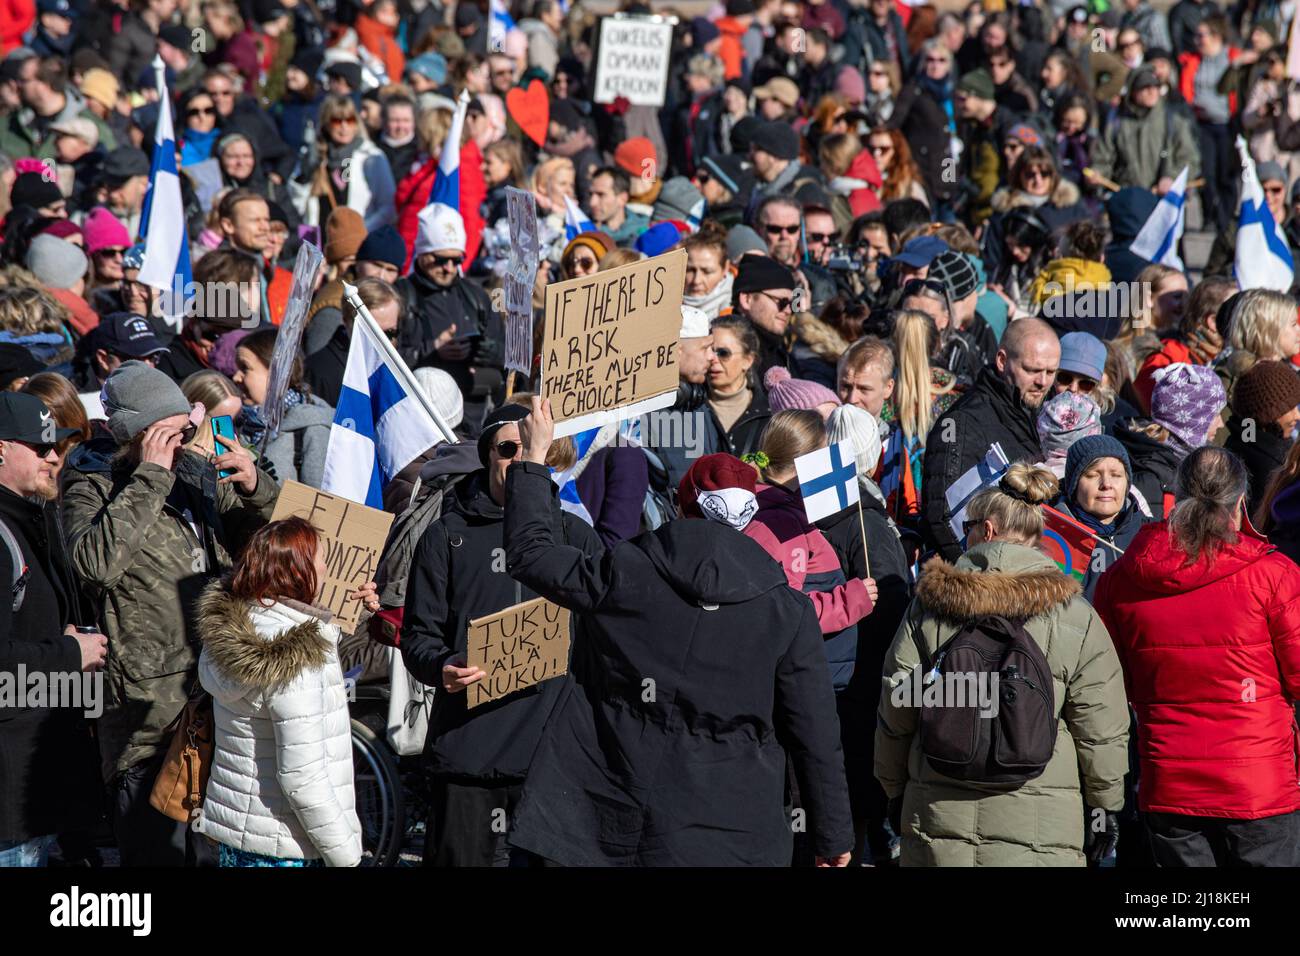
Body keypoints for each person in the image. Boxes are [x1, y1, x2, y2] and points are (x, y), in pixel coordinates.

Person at [502, 411, 855, 866]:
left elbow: (531, 554)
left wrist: (533, 460)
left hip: (604, 818)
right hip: (723, 833)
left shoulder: (624, 572)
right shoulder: (787, 611)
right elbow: (816, 734)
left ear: (681, 507)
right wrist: (832, 837)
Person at [62, 361, 277, 866]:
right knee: (156, 853)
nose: (185, 442)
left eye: (187, 429)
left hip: (216, 694)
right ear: (140, 434)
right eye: (171, 433)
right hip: (148, 712)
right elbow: (94, 566)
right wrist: (151, 476)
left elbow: (268, 544)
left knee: (211, 855)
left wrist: (255, 487)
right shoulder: (91, 482)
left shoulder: (194, 470)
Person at [877, 462, 1129, 866]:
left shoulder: (928, 607)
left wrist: (893, 788)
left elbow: (898, 704)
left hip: (938, 813)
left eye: (968, 525)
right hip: (1042, 824)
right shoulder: (1076, 615)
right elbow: (1100, 728)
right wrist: (1105, 805)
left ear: (987, 531)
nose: (965, 534)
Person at [400, 402, 600, 866]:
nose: (523, 458)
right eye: (511, 448)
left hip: (551, 757)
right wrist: (442, 665)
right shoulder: (445, 536)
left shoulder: (577, 537)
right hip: (470, 752)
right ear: (489, 453)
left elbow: (604, 642)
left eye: (534, 449)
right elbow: (418, 637)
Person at [1095, 446, 1300, 866]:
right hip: (1259, 782)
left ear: (1176, 497)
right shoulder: (1274, 575)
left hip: (1170, 780)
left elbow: (1115, 684)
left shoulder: (1121, 579)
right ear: (1240, 501)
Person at [197, 517, 368, 867]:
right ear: (299, 571)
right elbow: (302, 776)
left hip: (239, 835)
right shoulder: (296, 657)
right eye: (320, 559)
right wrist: (347, 856)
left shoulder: (242, 625)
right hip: (285, 844)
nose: (326, 567)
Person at [0, 391, 106, 867]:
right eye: (39, 447)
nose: (53, 458)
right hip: (9, 803)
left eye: (57, 446)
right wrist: (69, 653)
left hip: (38, 784)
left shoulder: (35, 517)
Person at [820, 402, 911, 863]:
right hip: (861, 692)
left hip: (836, 686)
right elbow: (888, 616)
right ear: (874, 457)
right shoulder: (865, 523)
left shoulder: (828, 511)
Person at [922, 318, 1060, 560]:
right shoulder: (962, 423)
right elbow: (941, 516)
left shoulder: (1042, 414)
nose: (1043, 382)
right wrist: (980, 576)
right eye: (1032, 370)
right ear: (1002, 361)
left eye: (1051, 372)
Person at [397, 203, 503, 436]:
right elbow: (384, 362)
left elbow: (506, 360)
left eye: (456, 261)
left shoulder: (476, 297)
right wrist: (433, 349)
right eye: (440, 260)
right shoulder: (401, 296)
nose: (448, 268)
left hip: (474, 423)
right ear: (422, 254)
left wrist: (488, 352)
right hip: (421, 424)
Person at [1114, 363, 1227, 519]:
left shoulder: (1190, 462)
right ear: (1190, 420)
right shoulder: (1151, 477)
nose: (1221, 424)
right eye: (1215, 415)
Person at [231, 328, 334, 488]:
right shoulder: (242, 424)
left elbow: (322, 503)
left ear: (277, 372)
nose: (236, 377)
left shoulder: (313, 428)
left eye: (245, 368)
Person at [1055, 434, 1153, 601]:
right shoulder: (1053, 537)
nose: (1106, 484)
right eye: (1093, 475)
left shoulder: (1150, 535)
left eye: (1116, 475)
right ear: (1074, 485)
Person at [1223, 360, 1300, 515]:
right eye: (1288, 409)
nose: (1297, 415)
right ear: (1266, 416)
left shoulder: (1243, 439)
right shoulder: (1268, 467)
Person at [705, 315, 772, 459]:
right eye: (709, 351)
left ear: (747, 361)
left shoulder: (770, 416)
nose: (713, 359)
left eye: (723, 353)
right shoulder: (688, 410)